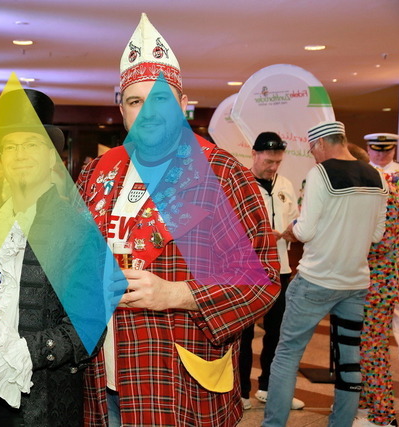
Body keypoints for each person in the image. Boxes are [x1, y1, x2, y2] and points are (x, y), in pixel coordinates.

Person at [77, 13, 280, 426]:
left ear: (182, 104)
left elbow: (261, 283)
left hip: (176, 382)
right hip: (101, 378)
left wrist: (177, 293)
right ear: (121, 109)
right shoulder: (98, 172)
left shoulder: (221, 174)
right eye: (135, 101)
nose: (148, 112)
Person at [0, 88, 104, 426]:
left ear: (51, 157)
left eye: (31, 145)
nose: (20, 155)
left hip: (43, 398)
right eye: (11, 147)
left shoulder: (77, 228)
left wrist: (15, 347)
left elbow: (88, 328)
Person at [263, 121, 388, 427]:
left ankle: (273, 424)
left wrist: (290, 230)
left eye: (311, 150)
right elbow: (377, 234)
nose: (313, 156)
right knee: (350, 359)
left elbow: (305, 230)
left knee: (287, 354)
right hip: (355, 283)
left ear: (319, 144)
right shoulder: (377, 177)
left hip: (315, 280)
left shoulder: (320, 173)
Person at [238, 132, 304, 410]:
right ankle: (240, 392)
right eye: (268, 161)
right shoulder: (239, 183)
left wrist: (288, 233)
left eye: (278, 162)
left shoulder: (285, 184)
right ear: (254, 154)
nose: (273, 167)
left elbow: (296, 222)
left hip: (280, 268)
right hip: (246, 269)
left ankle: (269, 388)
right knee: (243, 334)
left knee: (277, 332)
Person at [351, 142, 399, 427]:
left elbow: (378, 244)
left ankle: (383, 417)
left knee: (373, 351)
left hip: (379, 283)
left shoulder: (378, 195)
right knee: (368, 348)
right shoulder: (383, 189)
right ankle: (365, 407)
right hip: (383, 281)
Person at [366, 134, 399, 379]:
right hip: (369, 253)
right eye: (376, 150)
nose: (381, 154)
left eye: (386, 150)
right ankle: (368, 363)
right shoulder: (361, 173)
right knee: (370, 312)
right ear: (368, 149)